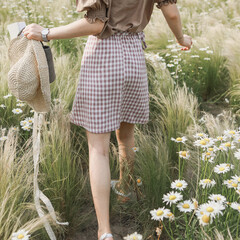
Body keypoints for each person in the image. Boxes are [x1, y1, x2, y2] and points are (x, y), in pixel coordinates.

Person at [22, 0, 192, 239]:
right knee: (126, 136)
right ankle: (125, 190)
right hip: (134, 55)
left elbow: (96, 24)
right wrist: (181, 39)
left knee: (98, 149)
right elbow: (172, 14)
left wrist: (47, 33)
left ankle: (104, 230)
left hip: (103, 56)